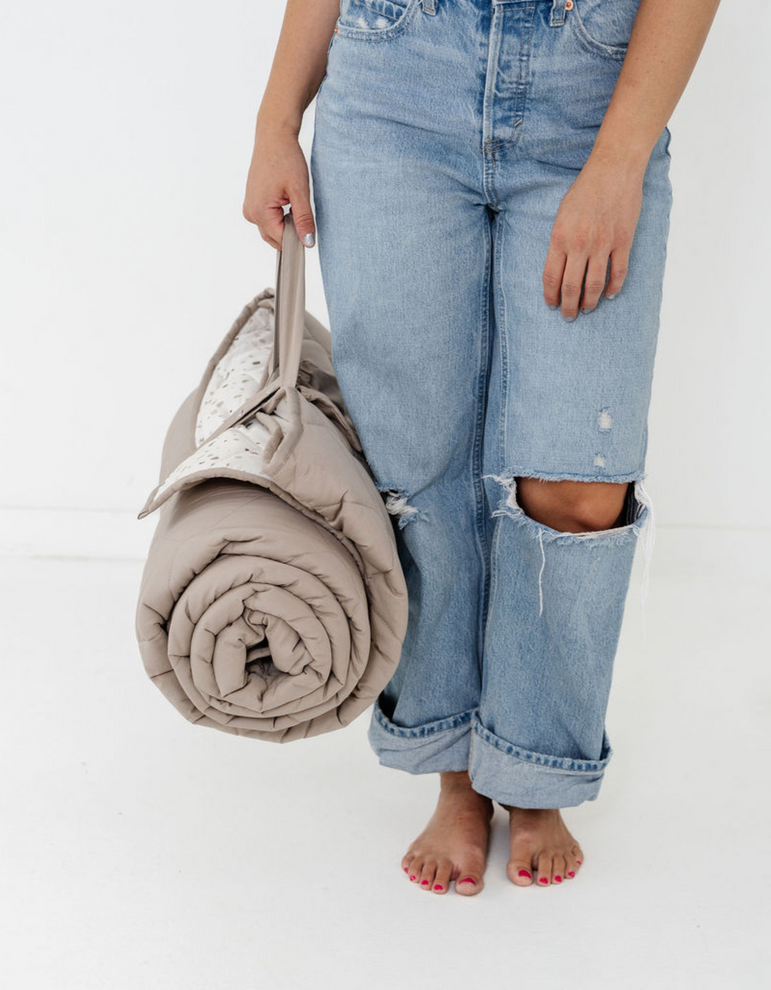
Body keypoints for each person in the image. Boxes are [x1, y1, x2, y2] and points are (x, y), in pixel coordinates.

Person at [243, 0, 720, 895]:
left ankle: (535, 765)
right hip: (394, 74)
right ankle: (455, 769)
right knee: (417, 471)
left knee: (579, 486)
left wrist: (618, 163)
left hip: (590, 83)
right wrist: (277, 122)